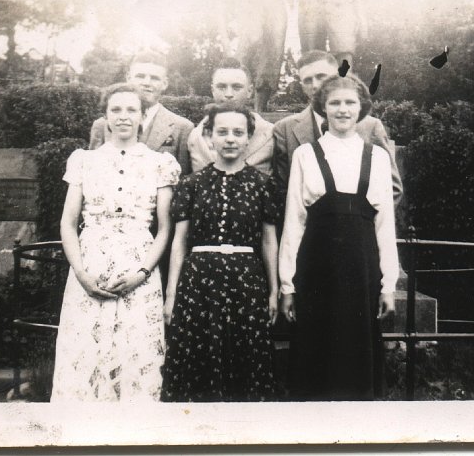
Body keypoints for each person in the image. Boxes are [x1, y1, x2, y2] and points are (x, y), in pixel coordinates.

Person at [51, 83, 181, 402]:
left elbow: (164, 228)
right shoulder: (84, 160)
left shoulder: (160, 163)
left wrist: (142, 272)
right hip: (90, 261)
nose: (123, 117)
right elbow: (68, 223)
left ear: (142, 116)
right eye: (116, 110)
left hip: (139, 264)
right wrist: (81, 272)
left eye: (131, 110)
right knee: (87, 350)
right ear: (106, 116)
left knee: (136, 350)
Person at [279, 74, 398, 401]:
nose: (343, 110)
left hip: (361, 267)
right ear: (323, 107)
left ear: (361, 108)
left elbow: (385, 224)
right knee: (315, 350)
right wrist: (288, 285)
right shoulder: (305, 154)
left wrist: (388, 285)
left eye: (350, 103)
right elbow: (294, 222)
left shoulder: (377, 157)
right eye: (335, 103)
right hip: (317, 266)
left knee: (356, 346)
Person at [162, 103, 280, 402]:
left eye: (238, 132)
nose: (230, 139)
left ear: (249, 138)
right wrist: (172, 293)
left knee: (244, 355)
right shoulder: (191, 184)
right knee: (197, 352)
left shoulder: (263, 184)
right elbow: (180, 241)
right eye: (222, 132)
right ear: (209, 136)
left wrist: (273, 291)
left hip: (246, 282)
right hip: (198, 282)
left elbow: (268, 240)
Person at [272, 51, 402, 206]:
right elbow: (282, 191)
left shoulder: (370, 126)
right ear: (302, 86)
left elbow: (392, 189)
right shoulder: (285, 129)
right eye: (307, 80)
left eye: (321, 76)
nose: (315, 85)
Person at [89, 52, 194, 175]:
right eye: (140, 76)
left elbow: (183, 181)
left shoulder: (182, 127)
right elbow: (92, 172)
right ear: (128, 78)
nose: (147, 83)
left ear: (165, 83)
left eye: (154, 78)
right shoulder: (102, 125)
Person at [187, 58, 274, 174]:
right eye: (221, 87)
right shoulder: (195, 136)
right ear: (213, 90)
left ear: (250, 91)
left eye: (237, 87)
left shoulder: (270, 134)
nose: (229, 94)